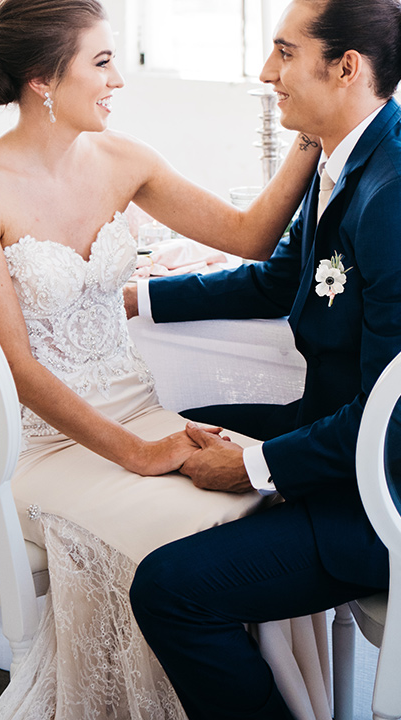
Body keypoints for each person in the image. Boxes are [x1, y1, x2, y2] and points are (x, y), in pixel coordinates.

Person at [0, 1, 322, 718]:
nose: (118, 80)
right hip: (29, 444)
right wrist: (141, 455)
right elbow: (17, 368)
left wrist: (313, 128)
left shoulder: (126, 160)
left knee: (267, 506)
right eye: (103, 62)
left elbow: (251, 234)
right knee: (184, 539)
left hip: (138, 409)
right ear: (42, 80)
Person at [129, 0, 401, 718]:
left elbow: (388, 422)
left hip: (379, 494)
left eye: (284, 52)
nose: (264, 73)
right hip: (337, 429)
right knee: (168, 423)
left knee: (168, 591)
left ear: (346, 68)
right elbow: (280, 278)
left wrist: (251, 466)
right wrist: (142, 299)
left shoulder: (394, 192)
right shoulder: (341, 153)